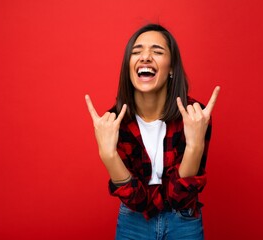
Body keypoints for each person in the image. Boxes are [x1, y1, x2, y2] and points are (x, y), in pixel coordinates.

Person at [85, 24, 220, 240]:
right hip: (134, 220)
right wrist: (108, 156)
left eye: (157, 51)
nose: (145, 57)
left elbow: (179, 196)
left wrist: (195, 145)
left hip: (184, 219)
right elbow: (137, 201)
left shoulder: (195, 116)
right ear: (129, 66)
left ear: (172, 68)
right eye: (136, 52)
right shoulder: (114, 123)